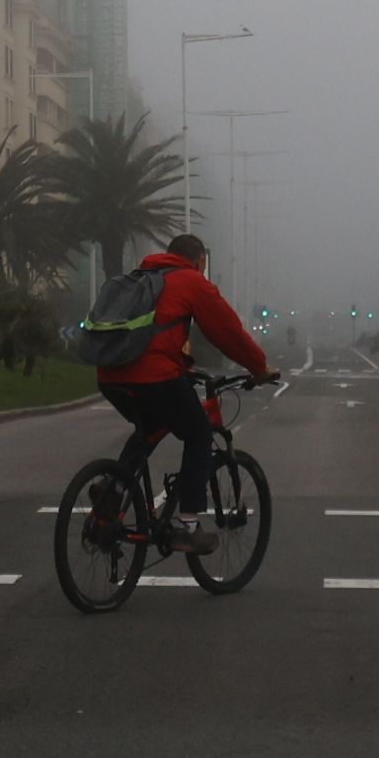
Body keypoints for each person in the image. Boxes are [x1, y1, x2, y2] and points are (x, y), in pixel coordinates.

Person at [97, 233, 279, 554]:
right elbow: (227, 332)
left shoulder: (140, 278)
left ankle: (114, 489)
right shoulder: (192, 282)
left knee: (150, 426)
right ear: (200, 262)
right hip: (155, 376)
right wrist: (259, 368)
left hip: (110, 374)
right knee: (198, 434)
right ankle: (188, 525)